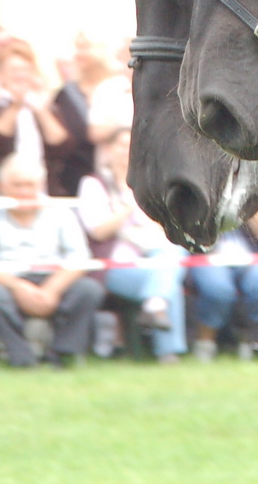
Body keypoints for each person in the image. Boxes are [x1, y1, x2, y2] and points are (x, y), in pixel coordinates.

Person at [0, 154, 103, 368]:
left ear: (41, 185)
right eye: (16, 185)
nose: (23, 192)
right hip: (6, 280)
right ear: (0, 185)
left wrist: (52, 290)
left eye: (29, 185)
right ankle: (20, 358)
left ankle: (63, 354)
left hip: (52, 278)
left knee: (88, 289)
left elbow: (79, 256)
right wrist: (18, 287)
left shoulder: (60, 211)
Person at [78, 130, 188, 363]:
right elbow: (98, 230)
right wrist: (128, 208)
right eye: (121, 146)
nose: (126, 152)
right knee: (169, 281)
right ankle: (167, 351)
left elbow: (166, 226)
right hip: (112, 263)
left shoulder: (151, 183)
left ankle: (155, 305)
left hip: (154, 256)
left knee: (171, 260)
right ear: (108, 151)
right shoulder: (93, 184)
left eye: (133, 146)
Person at [0, 44, 81, 197]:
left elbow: (61, 143)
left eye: (25, 70)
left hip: (44, 189)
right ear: (1, 74)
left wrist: (41, 111)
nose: (20, 75)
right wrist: (16, 105)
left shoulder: (48, 108)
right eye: (14, 70)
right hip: (0, 190)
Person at [187, 198, 258, 362]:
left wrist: (245, 203)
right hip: (209, 257)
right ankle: (205, 345)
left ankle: (255, 342)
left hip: (251, 257)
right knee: (218, 288)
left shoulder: (256, 187)